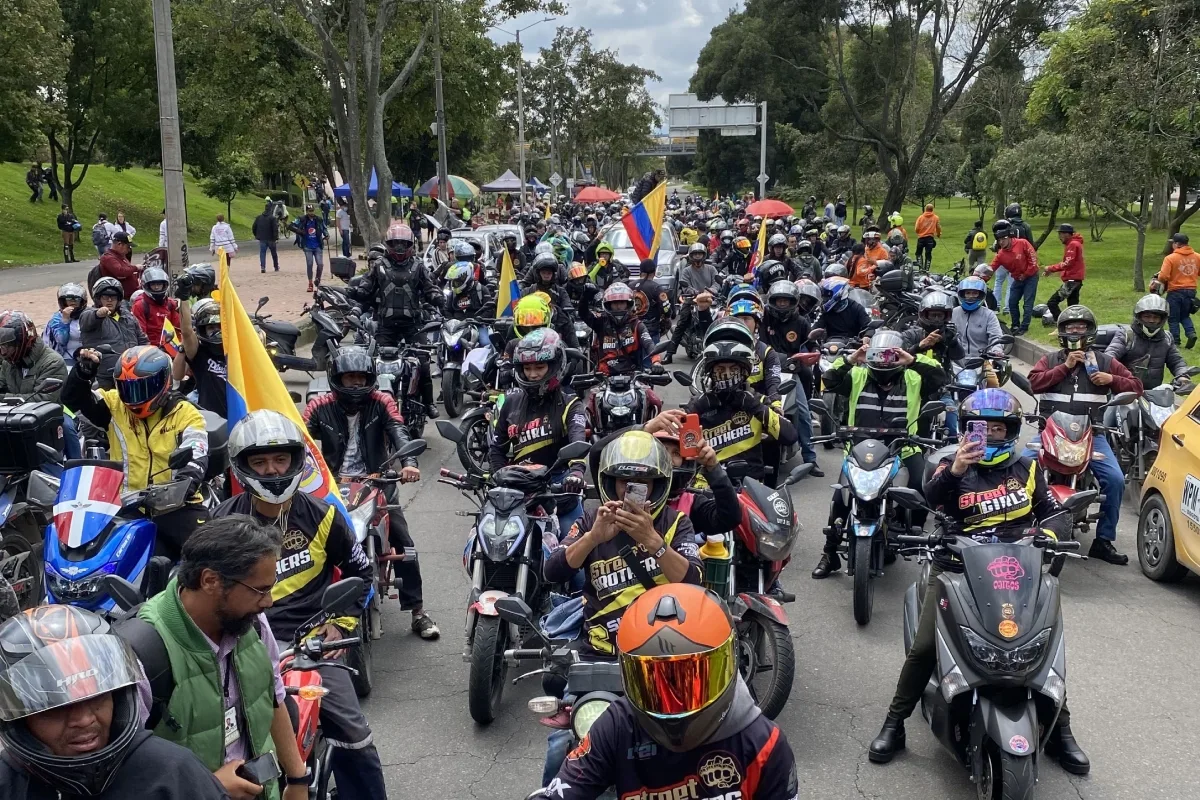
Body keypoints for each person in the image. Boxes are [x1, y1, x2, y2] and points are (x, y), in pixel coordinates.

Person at [867, 389, 1090, 776]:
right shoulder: (949, 466)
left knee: (1045, 642)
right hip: (956, 568)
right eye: (981, 427)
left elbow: (1052, 512)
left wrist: (1051, 536)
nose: (989, 435)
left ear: (1012, 432)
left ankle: (1061, 731)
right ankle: (894, 722)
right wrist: (955, 470)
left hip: (1020, 570)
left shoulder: (1028, 467)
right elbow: (928, 498)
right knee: (924, 648)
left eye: (999, 428)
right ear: (967, 430)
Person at [211, 418, 388, 799]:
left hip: (310, 646)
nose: (272, 470)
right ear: (242, 466)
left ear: (296, 462)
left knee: (355, 736)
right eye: (260, 462)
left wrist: (338, 625)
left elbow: (360, 572)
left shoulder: (324, 515)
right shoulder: (222, 522)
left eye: (280, 459)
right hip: (241, 648)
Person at [543, 584, 798, 800]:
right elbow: (561, 791)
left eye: (693, 679)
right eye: (654, 682)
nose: (674, 699)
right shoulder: (617, 725)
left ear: (731, 664)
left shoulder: (765, 746)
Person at [117, 517, 310, 800]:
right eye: (260, 590)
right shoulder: (145, 653)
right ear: (210, 581)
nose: (269, 602)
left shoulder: (251, 623)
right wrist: (208, 788)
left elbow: (272, 697)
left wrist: (297, 779)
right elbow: (125, 775)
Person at [0, 605, 229, 800]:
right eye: (56, 707)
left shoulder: (173, 772)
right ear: (19, 720)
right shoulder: (7, 784)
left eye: (97, 697)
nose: (84, 719)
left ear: (117, 696)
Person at [301, 349, 438, 639]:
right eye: (349, 377)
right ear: (337, 378)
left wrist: (409, 464)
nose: (355, 384)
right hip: (333, 487)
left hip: (378, 481)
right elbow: (302, 440)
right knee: (312, 542)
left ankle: (418, 611)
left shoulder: (382, 402)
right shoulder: (319, 406)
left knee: (403, 543)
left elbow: (399, 430)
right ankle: (311, 608)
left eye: (360, 377)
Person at [544, 430, 703, 658]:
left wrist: (652, 540)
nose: (631, 489)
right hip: (601, 651)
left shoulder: (676, 522)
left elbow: (694, 581)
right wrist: (592, 538)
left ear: (656, 485)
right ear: (611, 482)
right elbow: (552, 571)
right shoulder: (593, 520)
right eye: (624, 481)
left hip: (661, 653)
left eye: (641, 482)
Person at [813, 329, 946, 578]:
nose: (885, 362)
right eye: (879, 356)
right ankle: (830, 554)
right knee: (840, 500)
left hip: (903, 448)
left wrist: (913, 358)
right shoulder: (857, 374)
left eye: (891, 356)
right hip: (859, 450)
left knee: (920, 486)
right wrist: (853, 357)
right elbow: (829, 379)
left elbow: (940, 377)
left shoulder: (914, 377)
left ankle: (914, 537)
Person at [64, 345, 211, 559]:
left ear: (164, 382)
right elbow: (72, 399)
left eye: (143, 388)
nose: (133, 397)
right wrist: (82, 373)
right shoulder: (114, 405)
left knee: (209, 560)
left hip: (176, 506)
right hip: (124, 506)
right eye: (127, 389)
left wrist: (187, 481)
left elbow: (197, 451)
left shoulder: (185, 413)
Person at [1027, 306, 1142, 564]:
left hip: (1093, 434)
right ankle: (1015, 530)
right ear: (1062, 331)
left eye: (1080, 326)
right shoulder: (1051, 359)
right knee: (1020, 467)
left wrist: (1111, 379)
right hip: (1050, 433)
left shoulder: (1105, 361)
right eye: (1070, 327)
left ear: (1090, 330)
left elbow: (1136, 387)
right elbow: (1034, 383)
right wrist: (1065, 367)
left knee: (1114, 480)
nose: (1075, 331)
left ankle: (1103, 541)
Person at [489, 329, 588, 536]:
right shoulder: (510, 402)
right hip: (515, 491)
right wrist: (497, 478)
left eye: (539, 367)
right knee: (480, 541)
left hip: (558, 491)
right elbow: (497, 448)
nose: (532, 374)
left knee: (574, 555)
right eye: (527, 367)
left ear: (554, 366)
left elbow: (577, 442)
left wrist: (576, 473)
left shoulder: (571, 405)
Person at [351, 222, 440, 418]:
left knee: (423, 363)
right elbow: (366, 288)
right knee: (375, 365)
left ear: (410, 244)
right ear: (389, 244)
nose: (399, 247)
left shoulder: (419, 267)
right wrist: (357, 293)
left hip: (413, 326)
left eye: (403, 243)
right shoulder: (378, 266)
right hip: (386, 327)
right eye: (395, 243)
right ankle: (369, 403)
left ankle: (428, 403)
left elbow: (430, 288)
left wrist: (437, 297)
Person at [685, 332, 797, 483]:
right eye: (720, 370)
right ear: (711, 373)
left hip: (750, 485)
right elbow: (682, 450)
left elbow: (790, 436)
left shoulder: (757, 401)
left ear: (743, 372)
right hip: (707, 485)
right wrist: (694, 411)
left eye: (733, 369)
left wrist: (756, 407)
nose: (727, 374)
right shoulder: (698, 404)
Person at [760, 283, 823, 475]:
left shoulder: (802, 322)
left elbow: (812, 344)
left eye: (786, 301)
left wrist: (814, 352)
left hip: (791, 371)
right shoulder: (764, 318)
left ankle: (810, 459)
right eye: (778, 300)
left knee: (803, 413)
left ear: (794, 302)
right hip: (764, 370)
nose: (781, 305)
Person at [1105, 294, 1189, 391]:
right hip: (1124, 391)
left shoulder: (1167, 338)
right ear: (1139, 316)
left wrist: (1182, 376)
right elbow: (1109, 357)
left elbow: (1176, 361)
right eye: (1147, 316)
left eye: (1156, 317)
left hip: (1153, 393)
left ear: (1162, 319)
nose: (1151, 320)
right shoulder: (1127, 334)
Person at [80, 277, 149, 388]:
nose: (110, 300)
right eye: (105, 297)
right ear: (98, 298)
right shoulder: (89, 314)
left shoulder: (128, 317)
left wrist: (152, 354)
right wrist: (98, 314)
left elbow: (142, 340)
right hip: (105, 377)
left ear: (118, 299)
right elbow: (86, 320)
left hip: (133, 373)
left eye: (113, 297)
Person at [582, 283, 655, 376]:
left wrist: (656, 362)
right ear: (608, 305)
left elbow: (649, 344)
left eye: (622, 303)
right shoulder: (600, 322)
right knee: (591, 391)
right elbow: (584, 314)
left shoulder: (637, 325)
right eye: (615, 303)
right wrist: (585, 297)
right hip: (604, 377)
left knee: (649, 391)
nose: (618, 307)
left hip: (633, 376)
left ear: (628, 304)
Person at [175, 297, 229, 418]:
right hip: (211, 420)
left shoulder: (234, 351)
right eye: (211, 328)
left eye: (218, 326)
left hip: (238, 416)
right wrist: (183, 297)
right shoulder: (200, 353)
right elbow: (186, 331)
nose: (216, 331)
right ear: (202, 330)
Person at [990, 220, 1039, 334]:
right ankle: (1015, 325)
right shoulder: (1001, 254)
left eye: (1003, 239)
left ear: (1010, 237)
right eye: (999, 240)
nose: (1001, 242)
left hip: (1030, 277)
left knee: (1027, 302)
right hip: (1017, 278)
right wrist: (980, 276)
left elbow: (1033, 260)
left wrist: (1026, 274)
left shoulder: (1023, 243)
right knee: (1012, 302)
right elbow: (991, 267)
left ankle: (1024, 326)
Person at [1152, 232, 1198, 349]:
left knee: (1173, 318)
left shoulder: (1170, 258)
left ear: (1177, 244)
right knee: (1185, 315)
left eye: (1173, 243)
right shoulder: (1197, 256)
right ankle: (1191, 334)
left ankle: (1175, 341)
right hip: (1191, 291)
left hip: (1175, 291)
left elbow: (1163, 277)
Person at [1042, 223, 1085, 323]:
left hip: (1072, 281)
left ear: (1067, 234)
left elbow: (1067, 263)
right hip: (1076, 280)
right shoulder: (1074, 244)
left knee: (1052, 302)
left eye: (1060, 234)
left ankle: (1061, 324)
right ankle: (1073, 326)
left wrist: (1050, 268)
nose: (1059, 237)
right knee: (1073, 308)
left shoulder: (1073, 244)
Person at [951, 277, 1003, 359]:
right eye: (968, 293)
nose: (971, 296)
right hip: (956, 361)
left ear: (981, 295)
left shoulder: (989, 315)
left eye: (975, 293)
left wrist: (996, 350)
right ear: (962, 294)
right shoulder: (953, 313)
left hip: (982, 360)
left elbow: (996, 337)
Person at [131, 267, 181, 349]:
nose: (157, 287)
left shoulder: (171, 304)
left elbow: (178, 329)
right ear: (147, 286)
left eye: (159, 284)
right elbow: (140, 334)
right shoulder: (140, 306)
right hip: (150, 350)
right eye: (153, 284)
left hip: (172, 347)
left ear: (164, 285)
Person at [43, 283, 87, 367]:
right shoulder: (56, 319)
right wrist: (65, 321)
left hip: (86, 354)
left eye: (76, 299)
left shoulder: (87, 315)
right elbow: (60, 341)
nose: (73, 302)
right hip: (64, 357)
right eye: (69, 299)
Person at [629, 258, 671, 341]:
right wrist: (667, 318)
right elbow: (666, 309)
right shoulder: (657, 288)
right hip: (651, 332)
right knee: (653, 353)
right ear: (654, 272)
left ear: (640, 271)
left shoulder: (630, 286)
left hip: (632, 330)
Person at [293, 205, 327, 291]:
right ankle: (310, 283)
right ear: (307, 211)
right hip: (307, 246)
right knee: (309, 264)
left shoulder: (318, 219)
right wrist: (299, 231)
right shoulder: (302, 219)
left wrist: (326, 234)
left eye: (312, 211)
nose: (311, 213)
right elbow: (293, 225)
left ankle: (317, 279)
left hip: (318, 245)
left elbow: (324, 228)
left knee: (320, 264)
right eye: (309, 211)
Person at [97, 232, 139, 300]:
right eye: (128, 247)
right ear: (119, 244)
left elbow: (128, 270)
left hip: (130, 296)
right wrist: (136, 268)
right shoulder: (108, 258)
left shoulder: (121, 256)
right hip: (119, 298)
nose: (129, 250)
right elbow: (120, 272)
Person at [252, 203, 281, 272]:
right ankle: (276, 266)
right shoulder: (272, 218)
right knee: (274, 253)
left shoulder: (259, 217)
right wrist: (275, 238)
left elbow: (254, 227)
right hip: (271, 238)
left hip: (262, 238)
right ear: (271, 209)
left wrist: (256, 235)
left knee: (262, 253)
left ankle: (263, 266)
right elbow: (275, 229)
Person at [913, 204, 941, 268]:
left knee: (919, 253)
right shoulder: (935, 217)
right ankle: (927, 268)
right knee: (928, 254)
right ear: (932, 209)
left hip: (921, 238)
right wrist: (938, 234)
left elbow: (917, 228)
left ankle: (920, 267)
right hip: (930, 238)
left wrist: (919, 233)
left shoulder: (920, 217)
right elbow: (938, 227)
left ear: (925, 209)